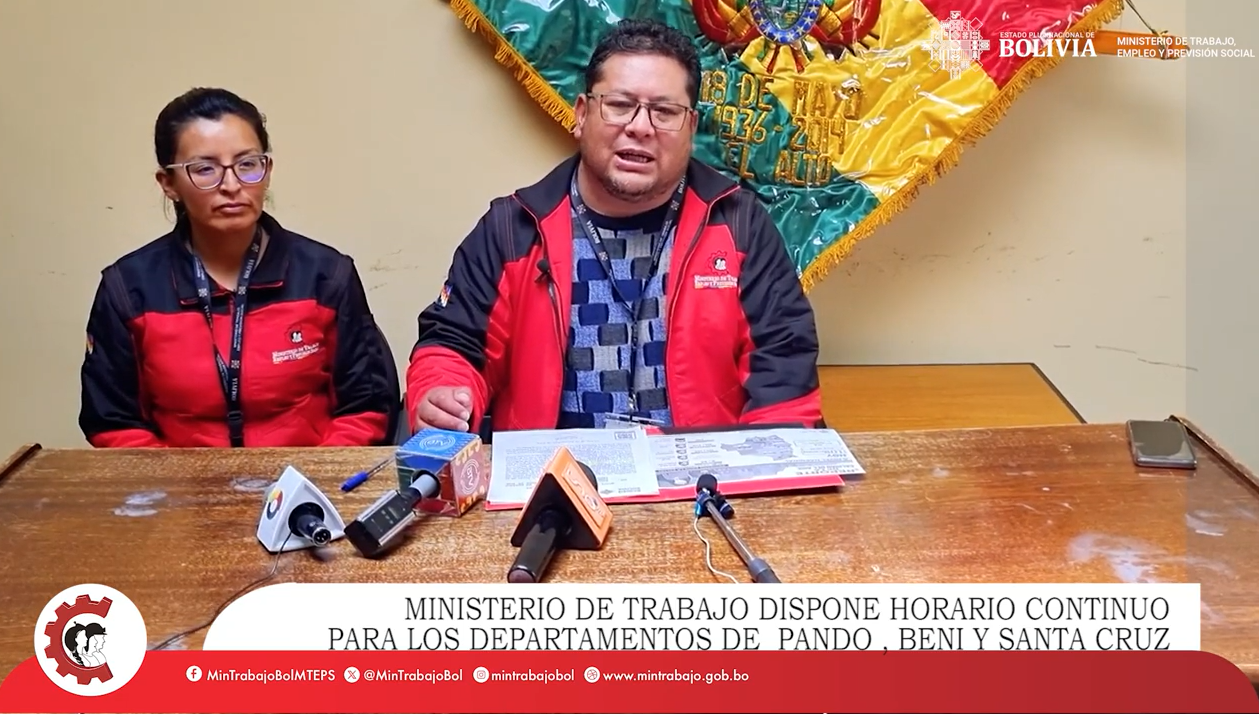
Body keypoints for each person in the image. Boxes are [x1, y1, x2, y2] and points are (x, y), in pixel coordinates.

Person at [405, 19, 822, 435]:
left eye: (664, 111)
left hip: (698, 488)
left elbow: (784, 371)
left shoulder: (740, 224)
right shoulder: (512, 228)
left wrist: (762, 482)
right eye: (620, 105)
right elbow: (455, 344)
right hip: (552, 485)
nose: (640, 127)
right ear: (582, 114)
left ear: (691, 128)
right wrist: (442, 393)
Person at [79, 87, 398, 448]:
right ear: (169, 184)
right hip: (180, 494)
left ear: (267, 171)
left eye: (247, 165)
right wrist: (176, 494)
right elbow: (113, 423)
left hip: (305, 490)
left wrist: (308, 489)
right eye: (205, 169)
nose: (231, 185)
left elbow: (365, 409)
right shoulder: (128, 288)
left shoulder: (327, 276)